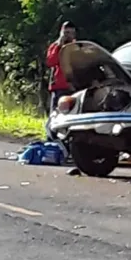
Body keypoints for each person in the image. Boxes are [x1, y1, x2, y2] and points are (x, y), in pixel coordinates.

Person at [45, 21, 81, 176]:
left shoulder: (78, 47)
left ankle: (71, 150)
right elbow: (50, 62)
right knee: (54, 118)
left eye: (71, 33)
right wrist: (60, 44)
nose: (68, 36)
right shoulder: (55, 46)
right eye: (66, 33)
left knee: (72, 120)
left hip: (73, 87)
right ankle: (53, 147)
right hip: (58, 87)